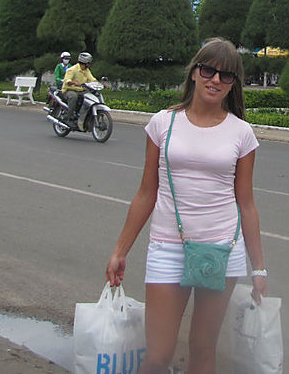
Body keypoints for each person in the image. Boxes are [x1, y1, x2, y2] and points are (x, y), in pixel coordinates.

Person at [105, 38, 267, 374]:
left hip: (222, 249)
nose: (216, 80)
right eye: (208, 70)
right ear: (194, 72)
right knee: (159, 355)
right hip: (168, 248)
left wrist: (259, 269)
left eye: (226, 76)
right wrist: (121, 250)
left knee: (203, 350)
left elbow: (247, 204)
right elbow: (146, 192)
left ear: (234, 84)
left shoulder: (242, 133)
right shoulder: (163, 123)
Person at [62, 52, 99, 126]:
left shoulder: (86, 70)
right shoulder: (72, 69)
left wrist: (99, 83)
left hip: (81, 90)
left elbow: (91, 79)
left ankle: (83, 115)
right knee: (73, 97)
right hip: (69, 90)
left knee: (90, 96)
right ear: (84, 62)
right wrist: (73, 83)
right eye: (89, 63)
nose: (89, 64)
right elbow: (67, 80)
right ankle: (69, 118)